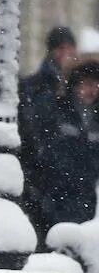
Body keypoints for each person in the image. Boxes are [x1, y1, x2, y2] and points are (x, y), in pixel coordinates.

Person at [20, 26, 80, 240]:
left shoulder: (77, 86)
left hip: (69, 181)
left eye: (70, 49)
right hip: (43, 179)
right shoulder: (36, 87)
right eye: (61, 48)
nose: (66, 55)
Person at [31, 59, 99, 229]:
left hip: (86, 194)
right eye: (88, 84)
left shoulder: (94, 119)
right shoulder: (58, 111)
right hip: (57, 193)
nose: (92, 90)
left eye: (96, 85)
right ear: (76, 86)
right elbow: (45, 149)